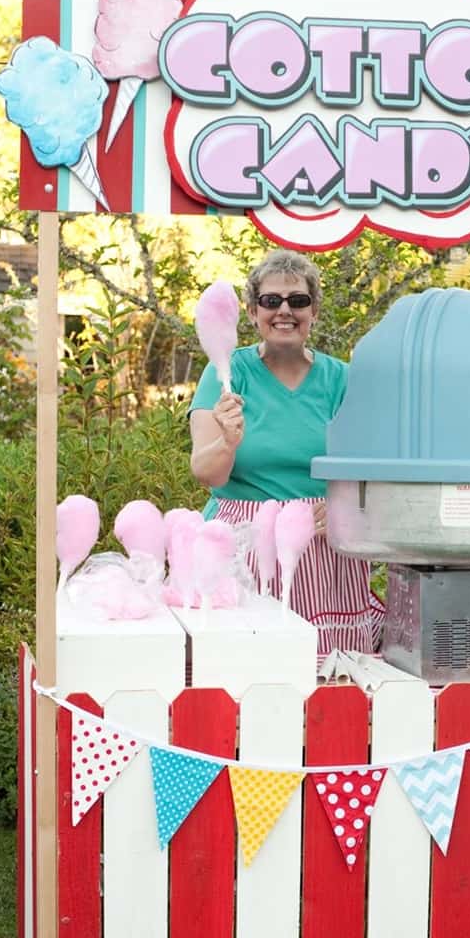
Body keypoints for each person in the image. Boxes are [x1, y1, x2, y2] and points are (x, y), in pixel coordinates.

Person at [189, 248, 380, 656]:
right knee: (242, 670)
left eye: (298, 300)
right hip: (242, 546)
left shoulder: (341, 379)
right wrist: (227, 441)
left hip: (324, 556)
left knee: (328, 678)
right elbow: (206, 473)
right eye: (271, 301)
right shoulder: (226, 373)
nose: (284, 311)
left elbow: (372, 468)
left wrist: (349, 507)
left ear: (314, 311)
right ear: (253, 312)